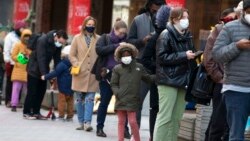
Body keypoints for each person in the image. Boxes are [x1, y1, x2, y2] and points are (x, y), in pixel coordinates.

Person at [154, 7, 197, 141]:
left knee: (177, 118)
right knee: (165, 117)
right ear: (174, 19)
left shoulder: (187, 35)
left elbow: (191, 53)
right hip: (168, 81)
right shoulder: (165, 34)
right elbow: (161, 57)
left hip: (183, 80)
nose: (186, 20)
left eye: (187, 17)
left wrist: (194, 55)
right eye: (183, 17)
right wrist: (184, 55)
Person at [212, 0, 250, 140]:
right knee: (236, 134)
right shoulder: (230, 28)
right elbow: (216, 55)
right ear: (245, 10)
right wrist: (237, 46)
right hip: (236, 89)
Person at [127, 0, 165, 128]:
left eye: (160, 10)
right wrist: (142, 41)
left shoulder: (168, 22)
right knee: (137, 100)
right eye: (155, 10)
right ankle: (134, 131)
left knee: (157, 105)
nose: (157, 12)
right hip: (141, 65)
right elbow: (129, 41)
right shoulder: (138, 20)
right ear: (149, 6)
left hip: (161, 67)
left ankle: (154, 135)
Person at [203, 8, 237, 141]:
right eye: (231, 19)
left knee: (225, 122)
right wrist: (219, 78)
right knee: (218, 120)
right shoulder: (218, 30)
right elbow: (208, 58)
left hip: (235, 82)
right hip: (221, 83)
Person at [111, 42, 155, 141]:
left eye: (128, 55)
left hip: (133, 99)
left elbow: (148, 78)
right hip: (120, 99)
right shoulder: (117, 69)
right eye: (124, 55)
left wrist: (159, 76)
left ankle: (136, 139)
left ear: (132, 55)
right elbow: (113, 84)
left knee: (133, 122)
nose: (126, 57)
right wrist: (117, 93)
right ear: (120, 56)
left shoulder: (139, 67)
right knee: (121, 122)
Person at [94, 18, 129, 137]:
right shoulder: (105, 38)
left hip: (122, 77)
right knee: (104, 102)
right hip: (106, 76)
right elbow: (99, 50)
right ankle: (99, 128)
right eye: (120, 33)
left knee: (124, 104)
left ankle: (125, 129)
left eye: (124, 33)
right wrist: (117, 45)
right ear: (115, 29)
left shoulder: (126, 40)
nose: (122, 35)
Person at [141, 4, 170, 141]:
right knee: (155, 108)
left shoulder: (175, 35)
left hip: (170, 79)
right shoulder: (157, 36)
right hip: (158, 78)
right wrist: (158, 67)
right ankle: (154, 136)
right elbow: (145, 59)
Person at [23, 29, 68, 119]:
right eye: (60, 42)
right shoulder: (43, 40)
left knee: (41, 91)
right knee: (32, 91)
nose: (60, 44)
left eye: (62, 43)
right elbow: (41, 58)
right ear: (56, 37)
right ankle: (27, 112)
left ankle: (36, 112)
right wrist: (44, 74)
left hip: (44, 70)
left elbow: (57, 60)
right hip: (34, 68)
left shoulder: (57, 45)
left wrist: (56, 73)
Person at [69, 16, 99, 131]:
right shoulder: (77, 38)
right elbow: (72, 54)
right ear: (84, 25)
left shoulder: (99, 39)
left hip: (92, 74)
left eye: (93, 25)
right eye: (89, 24)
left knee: (90, 98)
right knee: (80, 99)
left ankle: (87, 123)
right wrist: (76, 64)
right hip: (79, 73)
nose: (91, 26)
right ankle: (81, 122)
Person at [41, 45, 74, 121]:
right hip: (71, 86)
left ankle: (61, 115)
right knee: (70, 101)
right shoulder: (74, 64)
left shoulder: (62, 64)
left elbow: (55, 73)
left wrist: (45, 77)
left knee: (62, 101)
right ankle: (70, 116)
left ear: (64, 55)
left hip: (62, 87)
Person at [3, 21, 26, 107]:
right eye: (21, 28)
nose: (23, 30)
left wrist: (24, 61)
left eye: (24, 28)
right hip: (11, 62)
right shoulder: (10, 36)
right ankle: (9, 100)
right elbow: (7, 50)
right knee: (10, 82)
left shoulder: (23, 37)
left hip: (21, 62)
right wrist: (7, 60)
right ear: (17, 28)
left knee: (20, 81)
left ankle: (17, 100)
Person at [10, 29, 32, 112]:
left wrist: (28, 55)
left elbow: (32, 57)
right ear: (22, 37)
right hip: (18, 70)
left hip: (28, 71)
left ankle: (27, 105)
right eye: (25, 36)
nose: (27, 38)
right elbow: (13, 56)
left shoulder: (31, 46)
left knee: (28, 90)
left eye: (28, 36)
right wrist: (22, 57)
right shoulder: (18, 45)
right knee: (16, 89)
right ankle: (14, 104)